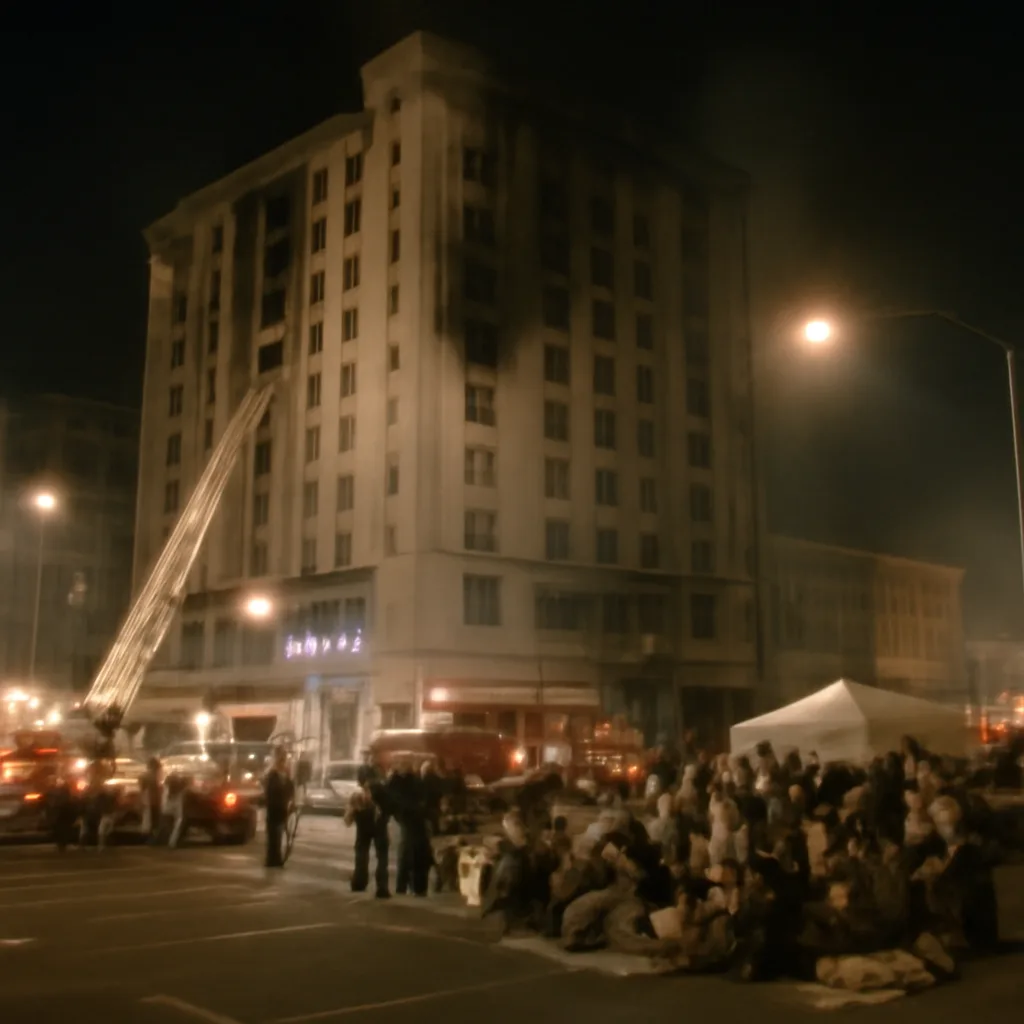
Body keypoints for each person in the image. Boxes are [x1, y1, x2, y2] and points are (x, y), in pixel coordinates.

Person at [263, 746, 294, 868]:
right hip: (274, 807)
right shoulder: (272, 773)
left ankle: (276, 858)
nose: (283, 760)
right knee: (273, 834)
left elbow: (290, 789)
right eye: (281, 757)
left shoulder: (284, 773)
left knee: (278, 834)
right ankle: (272, 859)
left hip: (282, 807)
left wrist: (290, 801)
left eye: (284, 757)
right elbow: (271, 791)